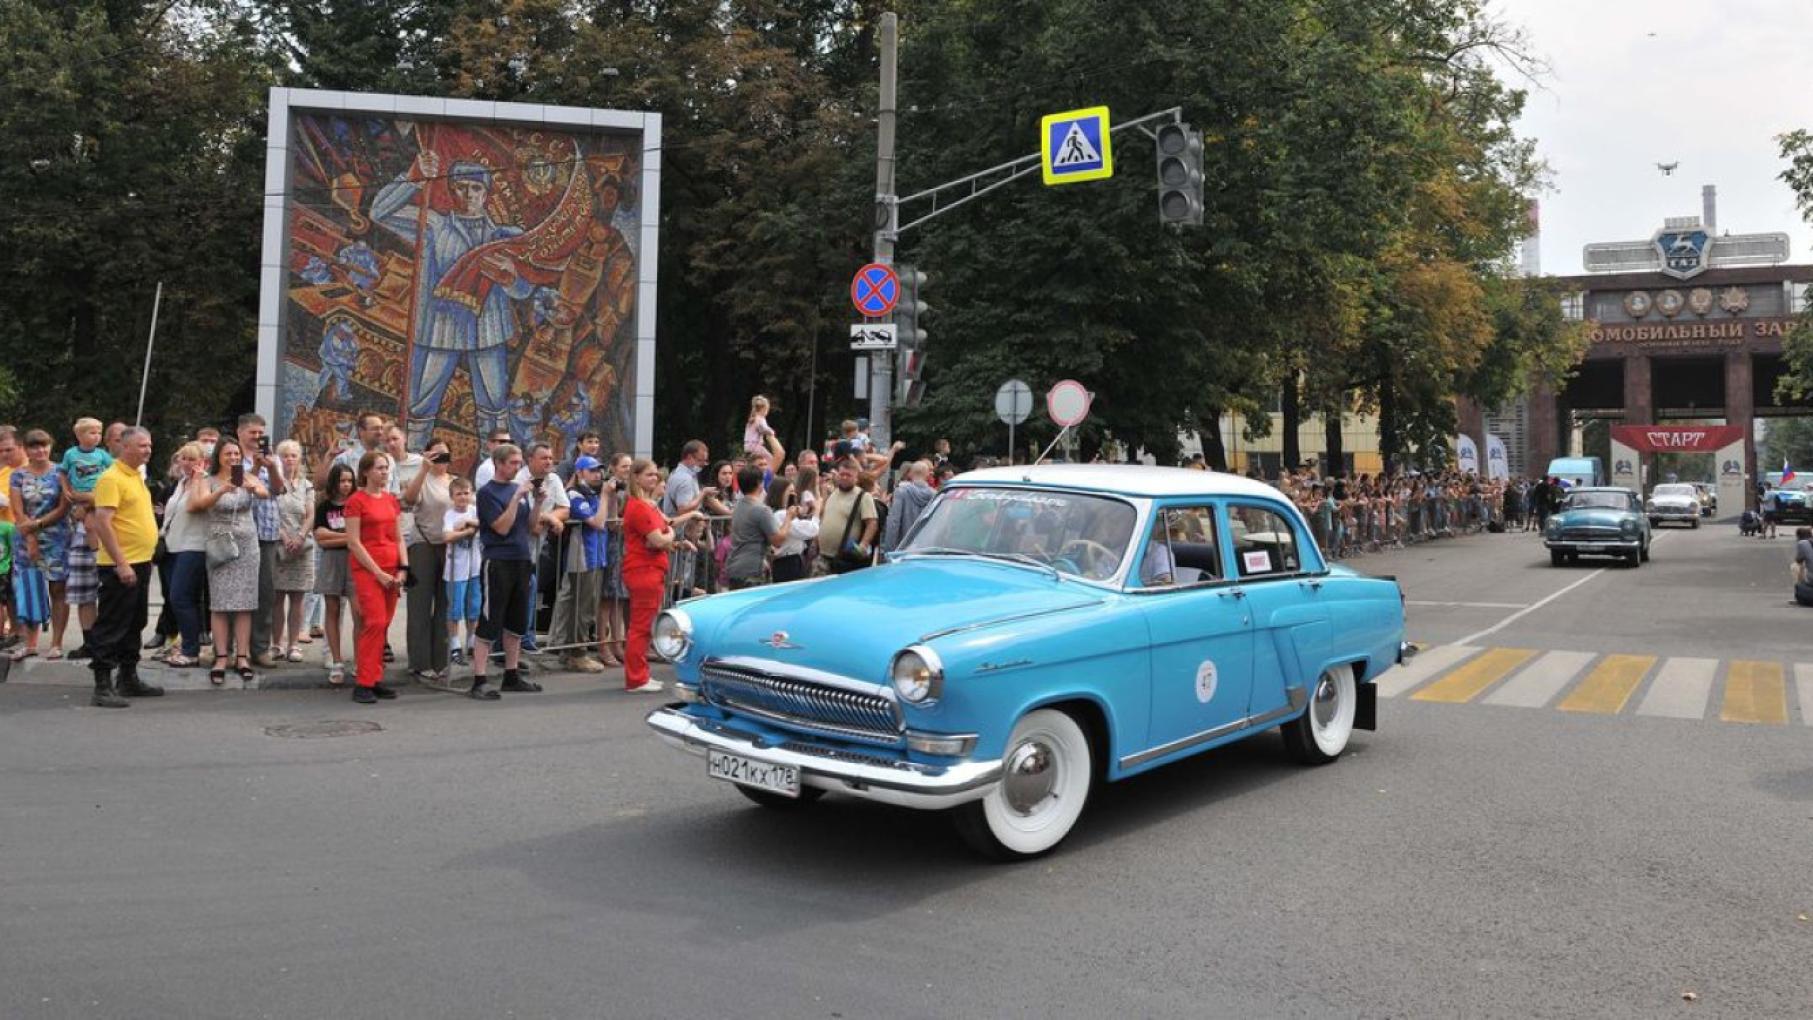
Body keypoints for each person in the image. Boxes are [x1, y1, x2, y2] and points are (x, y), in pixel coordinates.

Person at [373, 151, 533, 447]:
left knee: (494, 407)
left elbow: (525, 289)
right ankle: (412, 465)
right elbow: (379, 213)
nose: (468, 194)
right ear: (451, 190)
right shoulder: (432, 224)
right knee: (421, 405)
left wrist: (510, 279)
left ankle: (494, 470)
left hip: (487, 332)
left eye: (476, 187)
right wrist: (413, 177)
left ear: (486, 193)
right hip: (440, 331)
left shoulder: (505, 235)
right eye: (461, 186)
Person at [84, 427, 164, 708]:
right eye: (142, 445)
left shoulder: (137, 477)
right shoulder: (111, 478)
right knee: (112, 624)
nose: (148, 450)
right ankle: (102, 685)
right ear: (125, 447)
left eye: (150, 445)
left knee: (135, 622)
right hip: (121, 564)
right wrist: (121, 562)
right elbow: (102, 522)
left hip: (141, 561)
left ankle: (128, 677)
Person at [188, 437, 267, 686]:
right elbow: (197, 505)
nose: (233, 458)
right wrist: (222, 490)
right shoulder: (207, 480)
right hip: (221, 545)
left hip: (247, 545)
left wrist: (253, 488)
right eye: (228, 454)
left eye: (236, 454)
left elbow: (265, 493)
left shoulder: (247, 476)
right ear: (218, 457)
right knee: (220, 603)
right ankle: (221, 656)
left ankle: (242, 657)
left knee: (245, 602)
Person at [469, 443, 544, 700]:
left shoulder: (517, 490)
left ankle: (511, 675)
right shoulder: (488, 493)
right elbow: (500, 528)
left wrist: (537, 504)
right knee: (490, 620)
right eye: (512, 463)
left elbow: (532, 527)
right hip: (498, 561)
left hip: (521, 559)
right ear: (499, 464)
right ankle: (479, 678)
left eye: (518, 462)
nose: (517, 467)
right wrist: (515, 498)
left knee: (516, 622)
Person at [623, 458, 692, 693]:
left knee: (644, 625)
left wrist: (668, 536)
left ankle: (640, 675)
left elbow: (660, 535)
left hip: (649, 568)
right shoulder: (640, 506)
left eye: (655, 475)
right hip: (644, 570)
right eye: (649, 475)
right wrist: (671, 534)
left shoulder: (646, 505)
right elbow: (659, 539)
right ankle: (636, 678)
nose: (654, 478)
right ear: (637, 478)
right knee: (641, 626)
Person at [343, 451, 405, 703]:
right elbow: (354, 542)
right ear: (366, 471)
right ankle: (364, 682)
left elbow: (399, 537)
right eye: (379, 468)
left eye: (386, 468)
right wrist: (377, 572)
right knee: (375, 622)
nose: (384, 472)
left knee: (384, 624)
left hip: (392, 569)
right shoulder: (356, 501)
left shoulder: (391, 500)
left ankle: (374, 677)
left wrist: (404, 569)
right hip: (369, 570)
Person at [10, 431, 69, 660]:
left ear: (50, 447)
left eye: (44, 446)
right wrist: (30, 536)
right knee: (29, 588)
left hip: (56, 535)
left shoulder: (60, 472)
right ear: (26, 449)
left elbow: (63, 507)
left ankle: (56, 643)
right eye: (34, 447)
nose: (40, 451)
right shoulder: (18, 475)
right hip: (26, 536)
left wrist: (38, 524)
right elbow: (17, 509)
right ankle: (30, 642)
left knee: (57, 588)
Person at [58, 417, 112, 659]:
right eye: (91, 432)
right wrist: (68, 491)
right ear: (79, 436)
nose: (96, 436)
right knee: (83, 592)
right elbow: (62, 474)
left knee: (109, 591)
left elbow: (112, 482)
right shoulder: (70, 454)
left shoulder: (103, 456)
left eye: (99, 432)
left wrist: (90, 500)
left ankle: (108, 640)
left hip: (101, 513)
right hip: (79, 523)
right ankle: (89, 641)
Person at [402, 438, 454, 682]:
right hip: (423, 544)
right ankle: (419, 661)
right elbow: (410, 500)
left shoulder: (454, 482)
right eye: (436, 456)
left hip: (449, 547)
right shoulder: (422, 479)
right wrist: (424, 468)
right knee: (420, 605)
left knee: (445, 604)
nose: (441, 461)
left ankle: (441, 659)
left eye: (444, 456)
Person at [552, 456, 609, 670]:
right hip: (583, 556)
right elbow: (597, 523)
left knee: (588, 606)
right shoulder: (575, 495)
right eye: (592, 470)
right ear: (580, 473)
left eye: (599, 470)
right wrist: (605, 496)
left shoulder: (593, 493)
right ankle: (577, 653)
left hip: (596, 555)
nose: (598, 474)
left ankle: (571, 652)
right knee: (582, 608)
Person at [159, 443, 211, 668]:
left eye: (193, 459)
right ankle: (182, 643)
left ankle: (191, 649)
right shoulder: (180, 483)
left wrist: (198, 479)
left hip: (193, 546)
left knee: (181, 597)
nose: (188, 464)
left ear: (203, 462)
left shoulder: (205, 481)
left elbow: (195, 507)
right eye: (184, 459)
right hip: (172, 545)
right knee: (174, 598)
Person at [312, 464, 358, 686]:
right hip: (331, 561)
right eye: (342, 481)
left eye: (349, 481)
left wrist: (339, 537)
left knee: (359, 612)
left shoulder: (358, 503)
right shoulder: (324, 506)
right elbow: (320, 536)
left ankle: (360, 661)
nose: (346, 485)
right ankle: (336, 660)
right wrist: (349, 538)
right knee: (332, 609)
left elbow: (362, 536)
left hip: (355, 561)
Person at [272, 440, 315, 662]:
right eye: (285, 455)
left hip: (302, 546)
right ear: (279, 459)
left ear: (300, 459)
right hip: (279, 545)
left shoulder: (307, 485)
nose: (290, 459)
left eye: (293, 455)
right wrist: (285, 536)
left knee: (298, 598)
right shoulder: (275, 484)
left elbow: (311, 514)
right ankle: (277, 644)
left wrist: (299, 536)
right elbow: (271, 513)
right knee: (277, 597)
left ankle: (294, 644)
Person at [724, 466, 798, 589]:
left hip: (735, 566)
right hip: (752, 570)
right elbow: (778, 541)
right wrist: (789, 517)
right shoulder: (761, 509)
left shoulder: (738, 506)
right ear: (760, 483)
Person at [596, 453, 633, 667]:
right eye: (623, 466)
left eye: (630, 466)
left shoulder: (628, 489)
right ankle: (603, 644)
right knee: (607, 598)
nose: (627, 470)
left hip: (624, 545)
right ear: (613, 467)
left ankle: (617, 643)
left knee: (619, 597)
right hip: (611, 545)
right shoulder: (610, 488)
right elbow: (612, 523)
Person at [443, 476, 482, 666]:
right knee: (455, 609)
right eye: (459, 494)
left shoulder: (475, 511)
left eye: (466, 493)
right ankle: (454, 644)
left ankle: (472, 641)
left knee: (474, 608)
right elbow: (448, 535)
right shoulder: (449, 515)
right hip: (455, 570)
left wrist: (470, 524)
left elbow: (484, 524)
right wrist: (466, 531)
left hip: (474, 567)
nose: (463, 497)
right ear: (452, 496)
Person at [817, 457, 878, 574]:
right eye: (842, 474)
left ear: (856, 477)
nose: (844, 478)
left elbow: (872, 523)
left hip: (844, 559)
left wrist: (863, 545)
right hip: (824, 556)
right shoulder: (833, 493)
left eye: (848, 475)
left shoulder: (863, 496)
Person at [882, 460, 936, 552]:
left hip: (903, 547)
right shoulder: (934, 494)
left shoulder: (901, 492)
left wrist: (889, 549)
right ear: (927, 475)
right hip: (926, 547)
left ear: (911, 473)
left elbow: (894, 521)